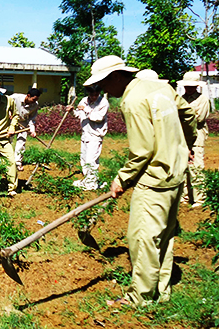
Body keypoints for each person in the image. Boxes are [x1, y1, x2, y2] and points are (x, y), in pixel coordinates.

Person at [84, 55, 196, 306]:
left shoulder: (132, 101)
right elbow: (187, 115)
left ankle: (140, 298)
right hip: (176, 173)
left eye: (103, 82)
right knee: (164, 237)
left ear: (116, 76)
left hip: (154, 178)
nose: (102, 89)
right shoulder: (161, 87)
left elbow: (142, 150)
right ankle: (161, 292)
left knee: (142, 238)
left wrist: (121, 178)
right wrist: (185, 145)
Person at [178, 71, 211, 207]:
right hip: (182, 137)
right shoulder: (181, 98)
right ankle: (185, 197)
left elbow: (199, 118)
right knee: (182, 167)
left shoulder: (202, 100)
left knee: (196, 167)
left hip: (197, 136)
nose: (189, 88)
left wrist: (183, 118)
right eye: (187, 86)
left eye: (191, 86)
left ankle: (199, 199)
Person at [69, 86, 109, 190]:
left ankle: (91, 184)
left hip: (95, 135)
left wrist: (86, 109)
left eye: (96, 95)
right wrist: (72, 111)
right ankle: (87, 180)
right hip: (85, 133)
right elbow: (79, 114)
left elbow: (98, 118)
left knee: (91, 160)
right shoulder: (84, 100)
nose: (94, 97)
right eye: (91, 95)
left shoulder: (103, 103)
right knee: (84, 159)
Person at [10, 88, 41, 171]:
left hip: (23, 123)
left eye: (36, 100)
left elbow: (32, 118)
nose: (34, 101)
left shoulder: (35, 105)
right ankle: (6, 162)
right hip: (11, 122)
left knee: (21, 142)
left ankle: (18, 162)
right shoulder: (15, 97)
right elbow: (5, 104)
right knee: (8, 141)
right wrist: (8, 113)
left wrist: (32, 129)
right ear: (28, 96)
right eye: (33, 99)